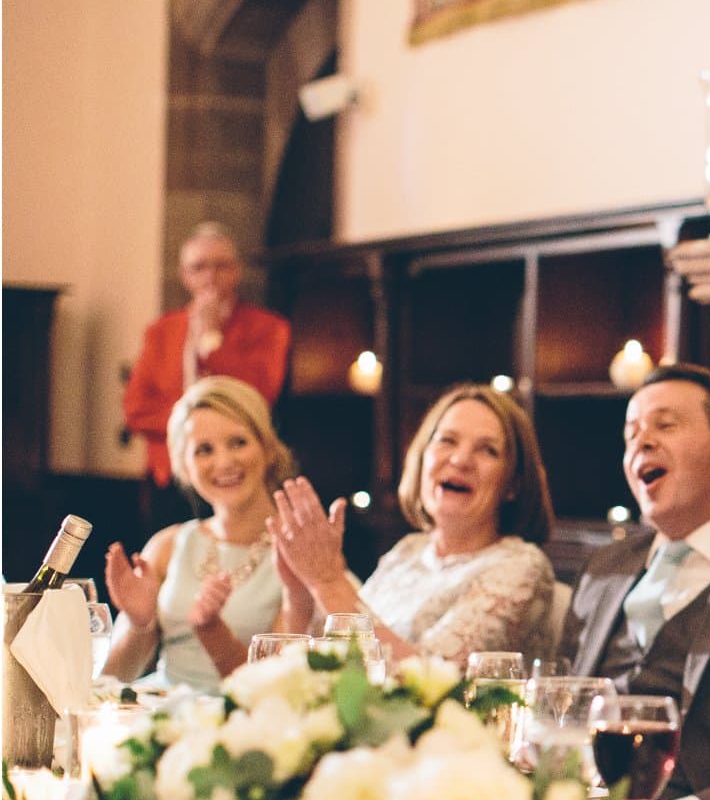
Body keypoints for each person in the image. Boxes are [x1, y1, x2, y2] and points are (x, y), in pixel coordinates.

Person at [559, 364, 710, 800]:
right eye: (631, 433)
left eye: (665, 425)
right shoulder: (603, 569)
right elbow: (560, 707)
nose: (641, 442)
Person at [270, 384, 556, 665]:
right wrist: (299, 592)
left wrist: (328, 581)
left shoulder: (522, 566)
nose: (460, 460)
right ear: (422, 457)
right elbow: (323, 659)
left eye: (488, 450)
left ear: (513, 484)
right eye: (447, 440)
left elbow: (429, 680)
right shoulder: (408, 551)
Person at [102, 376, 305, 692]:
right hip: (160, 713)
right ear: (185, 467)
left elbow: (279, 690)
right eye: (204, 450)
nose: (223, 462)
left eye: (238, 442)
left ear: (268, 449)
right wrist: (139, 624)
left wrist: (214, 633)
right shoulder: (167, 545)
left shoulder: (301, 550)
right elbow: (112, 680)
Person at [122, 224, 291, 534]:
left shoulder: (269, 328)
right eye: (199, 267)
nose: (210, 276)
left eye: (221, 266)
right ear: (185, 276)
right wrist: (186, 427)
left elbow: (256, 399)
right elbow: (136, 409)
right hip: (168, 474)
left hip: (235, 472)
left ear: (237, 271)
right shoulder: (161, 331)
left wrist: (212, 340)